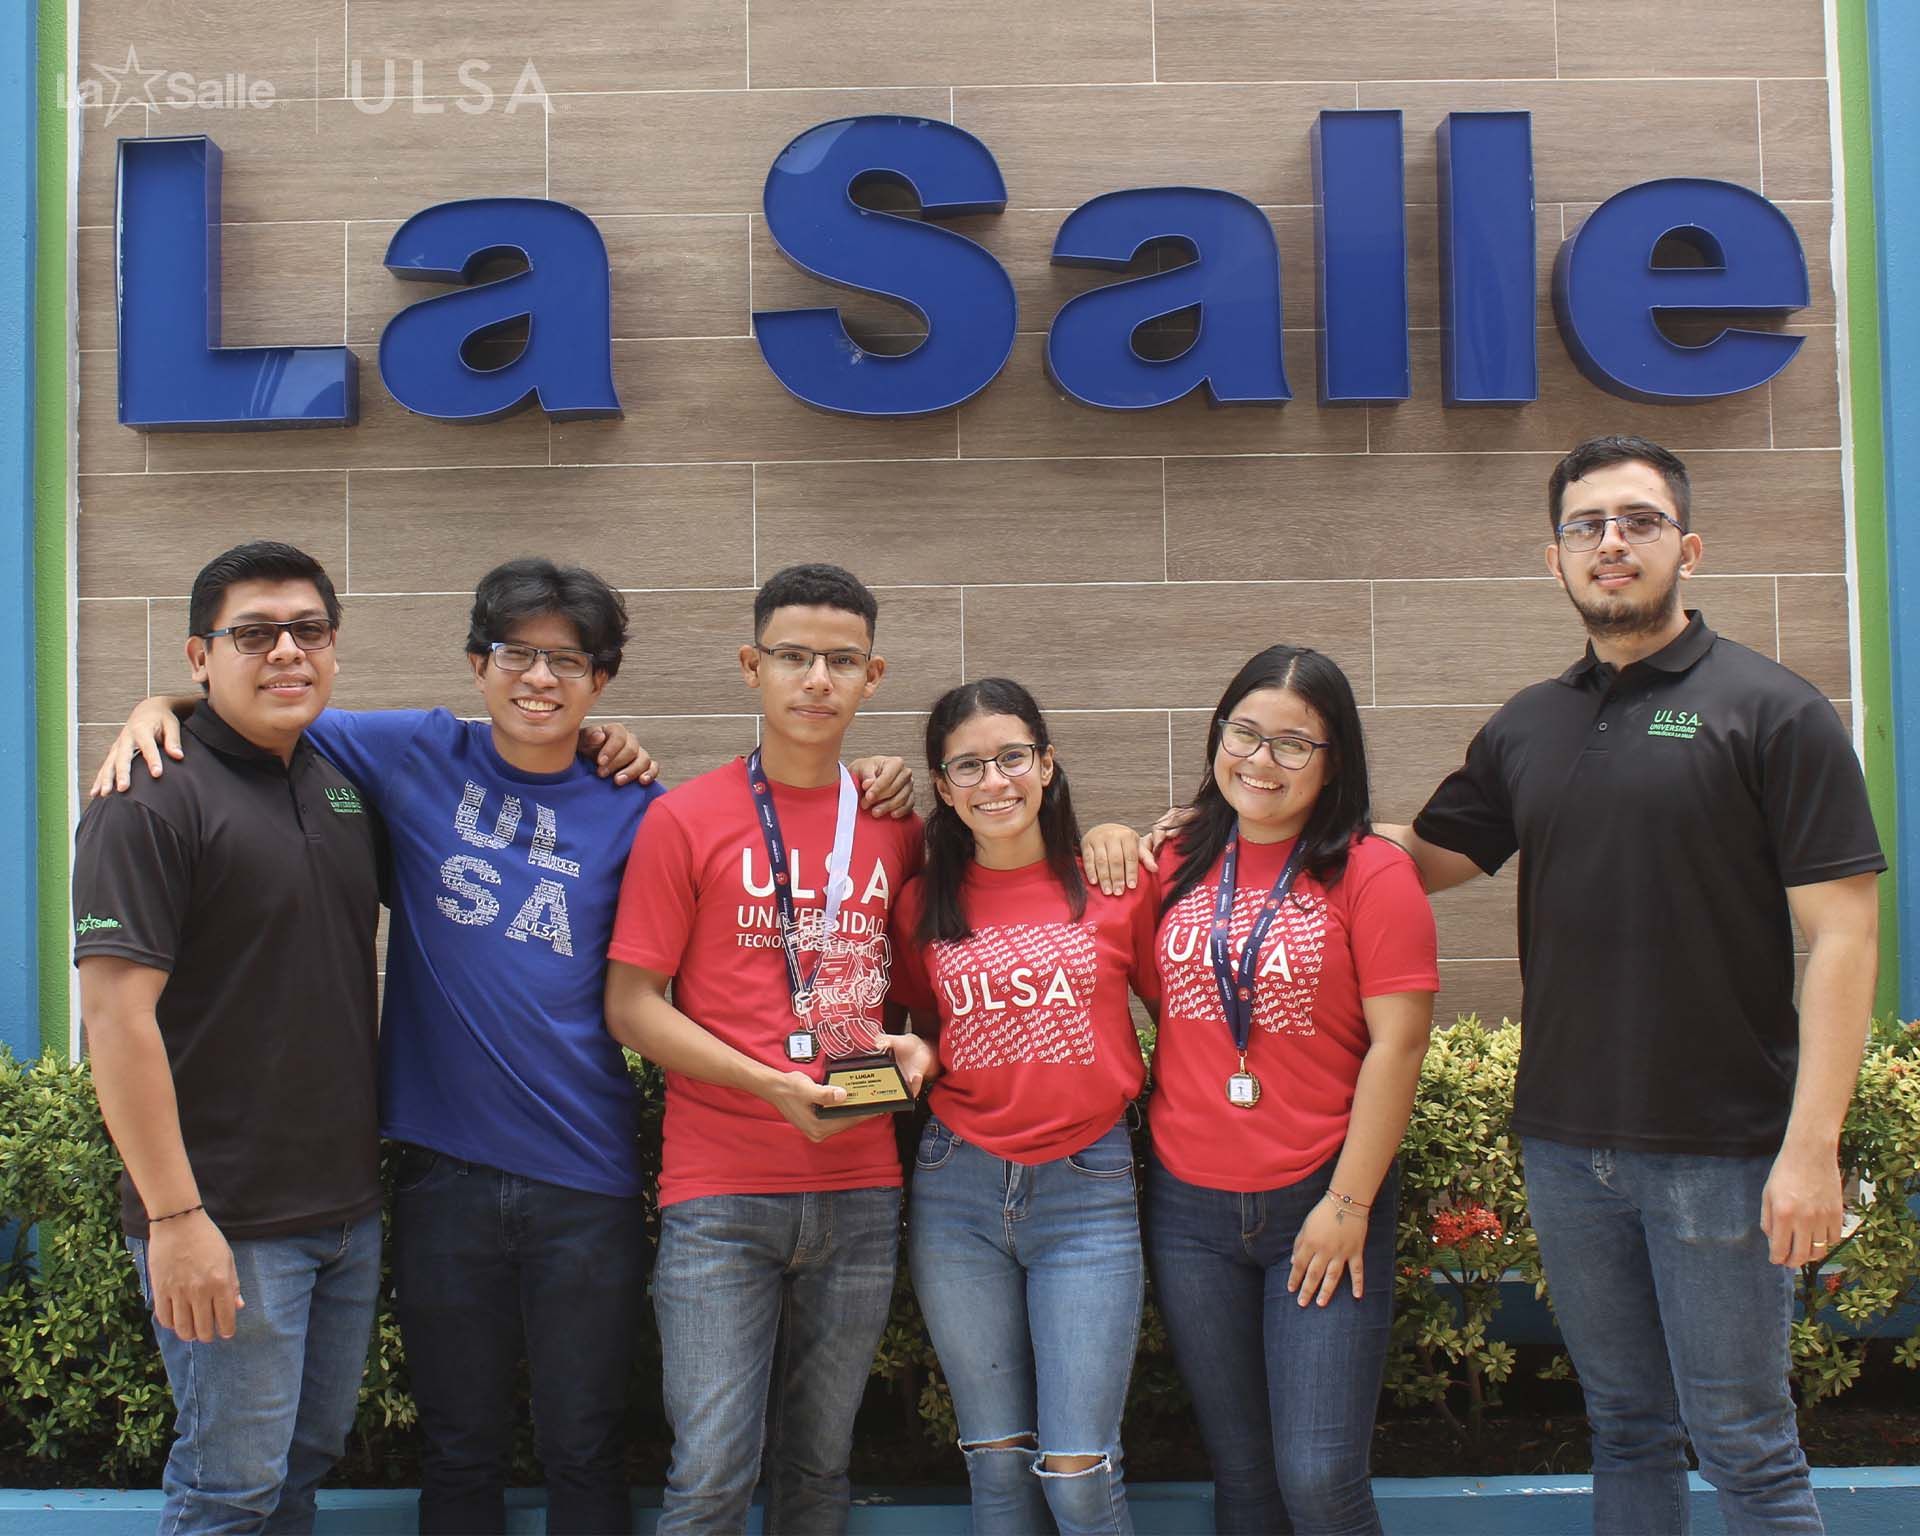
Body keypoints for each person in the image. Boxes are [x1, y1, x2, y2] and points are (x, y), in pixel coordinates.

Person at [93, 558, 914, 1534]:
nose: (540, 678)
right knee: (458, 1451)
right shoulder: (409, 755)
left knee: (584, 1445)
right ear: (478, 665)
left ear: (600, 683)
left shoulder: (641, 806)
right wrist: (160, 707)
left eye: (568, 661)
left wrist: (870, 782)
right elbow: (266, 699)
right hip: (444, 1170)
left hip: (587, 1172)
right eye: (518, 653)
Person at [1375, 436, 1884, 1535]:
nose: (1612, 542)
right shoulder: (1528, 724)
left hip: (1722, 1150)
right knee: (1624, 1428)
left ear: (1687, 548)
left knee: (1747, 1446)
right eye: (1586, 525)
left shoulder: (1773, 710)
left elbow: (1844, 937)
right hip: (1566, 1147)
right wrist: (1246, 829)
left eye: (1640, 522)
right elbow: (1417, 861)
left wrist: (1812, 1147)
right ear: (1551, 560)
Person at [603, 563, 928, 1535]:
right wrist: (767, 1082)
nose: (815, 679)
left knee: (820, 1470)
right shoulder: (684, 818)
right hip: (720, 1194)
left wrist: (914, 1061)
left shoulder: (895, 825)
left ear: (873, 678)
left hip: (861, 1187)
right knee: (710, 1475)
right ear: (752, 667)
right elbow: (631, 1006)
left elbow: (925, 998)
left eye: (841, 660)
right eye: (793, 656)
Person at [1088, 647, 1437, 1535]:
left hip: (1319, 1203)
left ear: (1334, 761)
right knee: (1241, 1478)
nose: (1260, 760)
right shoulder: (1170, 866)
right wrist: (1104, 835)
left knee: (1319, 1478)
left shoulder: (1372, 872)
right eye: (1243, 733)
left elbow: (1398, 1045)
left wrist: (1349, 1203)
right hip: (1189, 1207)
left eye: (1293, 743)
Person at [73, 541, 383, 1534]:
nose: (286, 652)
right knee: (228, 1491)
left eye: (309, 631)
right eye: (255, 633)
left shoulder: (335, 781)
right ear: (200, 655)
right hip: (227, 1221)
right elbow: (115, 1018)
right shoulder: (150, 798)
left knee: (298, 1470)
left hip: (345, 1213)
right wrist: (175, 1218)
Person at [888, 678, 1161, 1535]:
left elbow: (1181, 1018)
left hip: (1088, 1186)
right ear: (942, 785)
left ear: (1046, 765)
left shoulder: (1114, 885)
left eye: (1012, 757)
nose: (994, 781)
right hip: (956, 1186)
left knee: (1078, 1471)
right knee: (997, 1467)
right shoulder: (919, 905)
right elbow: (920, 1030)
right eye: (968, 765)